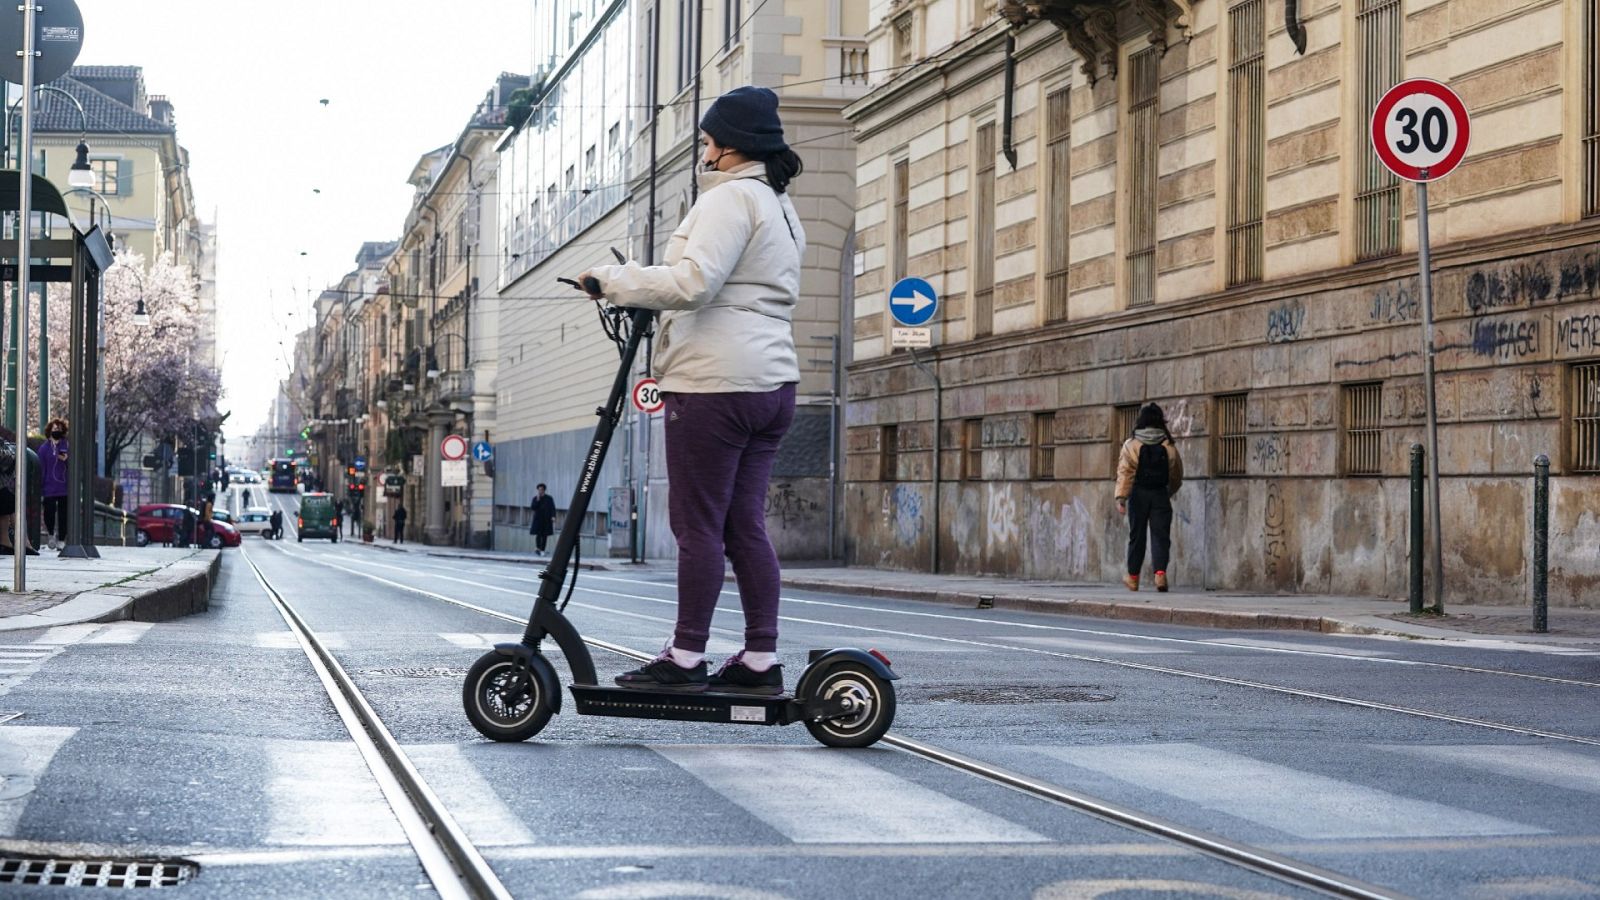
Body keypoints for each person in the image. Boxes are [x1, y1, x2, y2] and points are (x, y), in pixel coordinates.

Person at [578, 86, 805, 695]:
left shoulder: (731, 199)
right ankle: (760, 660)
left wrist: (615, 281)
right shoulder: (780, 206)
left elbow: (695, 281)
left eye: (708, 140)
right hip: (771, 382)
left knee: (697, 526)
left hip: (715, 384)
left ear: (731, 146)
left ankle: (684, 658)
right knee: (744, 526)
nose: (703, 150)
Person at [1114, 402, 1184, 593]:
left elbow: (1125, 472)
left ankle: (1133, 578)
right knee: (1160, 536)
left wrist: (1121, 498)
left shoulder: (1132, 444)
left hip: (1138, 494)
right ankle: (1160, 575)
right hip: (1160, 493)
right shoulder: (1167, 443)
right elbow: (1176, 472)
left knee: (1137, 536)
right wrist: (1168, 491)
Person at [41, 418, 68, 551]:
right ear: (49, 431)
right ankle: (51, 534)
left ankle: (62, 539)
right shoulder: (44, 448)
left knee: (64, 514)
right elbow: (41, 467)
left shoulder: (66, 445)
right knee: (49, 512)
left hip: (64, 486)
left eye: (59, 428)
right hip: (49, 486)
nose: (56, 430)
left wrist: (66, 459)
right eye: (54, 428)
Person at [527, 484, 556, 555]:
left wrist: (553, 516)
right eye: (539, 490)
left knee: (545, 535)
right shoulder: (535, 498)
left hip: (546, 519)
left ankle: (542, 550)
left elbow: (552, 508)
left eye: (541, 490)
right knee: (538, 534)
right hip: (538, 519)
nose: (540, 491)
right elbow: (533, 507)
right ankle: (538, 548)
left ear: (544, 490)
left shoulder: (549, 498)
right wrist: (537, 500)